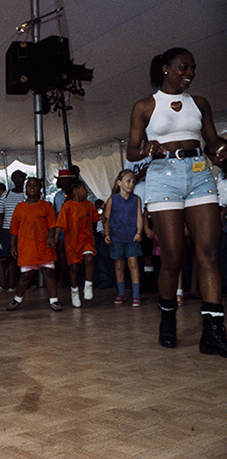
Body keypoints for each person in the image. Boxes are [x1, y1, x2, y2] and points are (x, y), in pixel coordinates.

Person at [127, 48, 227, 353]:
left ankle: (212, 332)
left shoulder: (199, 104)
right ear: (166, 68)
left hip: (199, 174)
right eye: (184, 67)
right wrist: (146, 149)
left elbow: (212, 142)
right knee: (172, 257)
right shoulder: (145, 106)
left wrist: (222, 149)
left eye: (193, 68)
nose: (190, 73)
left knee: (209, 252)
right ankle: (167, 320)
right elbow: (131, 151)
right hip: (163, 176)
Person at [7, 177, 60, 311]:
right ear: (25, 189)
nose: (32, 187)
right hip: (26, 246)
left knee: (49, 272)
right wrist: (12, 245)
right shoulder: (19, 207)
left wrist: (50, 237)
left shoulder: (46, 206)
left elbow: (52, 225)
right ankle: (17, 299)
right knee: (25, 275)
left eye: (35, 185)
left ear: (40, 189)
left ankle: (54, 300)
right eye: (29, 185)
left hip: (44, 246)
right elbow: (14, 229)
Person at [103, 170, 144, 307]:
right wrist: (106, 233)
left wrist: (139, 232)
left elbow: (139, 216)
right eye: (128, 181)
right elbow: (106, 218)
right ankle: (121, 292)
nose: (131, 184)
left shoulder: (136, 199)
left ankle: (136, 294)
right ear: (119, 183)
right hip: (116, 237)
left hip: (131, 236)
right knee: (119, 265)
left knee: (133, 264)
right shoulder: (112, 200)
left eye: (133, 182)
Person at [55, 180, 99, 307]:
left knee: (89, 259)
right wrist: (55, 238)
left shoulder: (89, 205)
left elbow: (96, 216)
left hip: (86, 239)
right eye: (84, 188)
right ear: (76, 191)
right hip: (72, 242)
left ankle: (88, 285)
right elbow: (60, 224)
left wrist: (102, 216)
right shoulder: (67, 206)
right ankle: (74, 291)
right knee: (74, 268)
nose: (86, 191)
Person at [0, 170, 27, 292]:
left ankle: (22, 285)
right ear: (12, 180)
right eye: (15, 178)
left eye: (20, 177)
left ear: (24, 179)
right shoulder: (6, 194)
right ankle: (10, 286)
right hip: (7, 230)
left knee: (23, 259)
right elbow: (0, 213)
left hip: (24, 230)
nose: (18, 180)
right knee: (10, 259)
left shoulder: (27, 194)